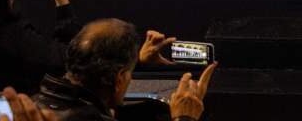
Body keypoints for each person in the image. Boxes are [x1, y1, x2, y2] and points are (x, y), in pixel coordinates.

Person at [34, 19, 216, 121]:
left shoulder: (32, 103)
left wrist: (136, 62)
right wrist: (185, 118)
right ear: (119, 79)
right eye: (128, 73)